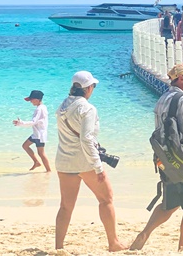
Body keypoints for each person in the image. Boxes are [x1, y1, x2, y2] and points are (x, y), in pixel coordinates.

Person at [130, 64, 183, 251]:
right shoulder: (182, 99)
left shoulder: (163, 98)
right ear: (181, 79)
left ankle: (144, 234)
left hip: (166, 158)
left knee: (170, 203)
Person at [54, 71, 126, 252]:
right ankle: (113, 243)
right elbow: (86, 139)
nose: (93, 89)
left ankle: (59, 247)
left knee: (65, 207)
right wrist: (98, 166)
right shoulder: (88, 108)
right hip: (85, 162)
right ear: (88, 88)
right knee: (106, 199)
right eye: (93, 86)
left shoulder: (62, 105)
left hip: (64, 160)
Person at [13, 89, 51, 172]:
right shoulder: (42, 107)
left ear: (37, 100)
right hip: (36, 134)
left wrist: (20, 123)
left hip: (39, 135)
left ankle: (48, 171)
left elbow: (33, 122)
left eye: (31, 100)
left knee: (41, 153)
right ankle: (36, 162)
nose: (30, 102)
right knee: (25, 146)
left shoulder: (39, 109)